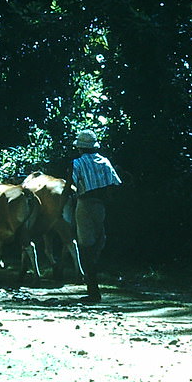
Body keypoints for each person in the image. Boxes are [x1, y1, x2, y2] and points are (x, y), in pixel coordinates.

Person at [69, 130, 122, 304]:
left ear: (80, 148)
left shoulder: (77, 162)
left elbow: (73, 185)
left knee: (85, 246)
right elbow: (115, 184)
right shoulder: (104, 161)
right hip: (101, 207)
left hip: (84, 205)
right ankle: (96, 280)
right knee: (99, 241)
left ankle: (93, 291)